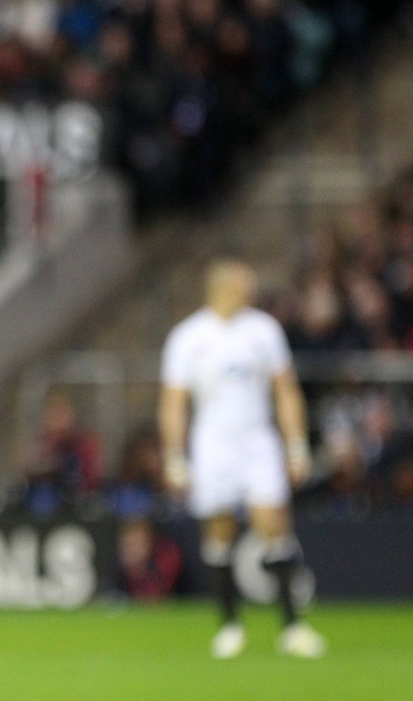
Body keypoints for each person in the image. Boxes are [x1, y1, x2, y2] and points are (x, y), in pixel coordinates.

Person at [157, 258, 326, 659]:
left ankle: (292, 627)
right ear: (222, 288)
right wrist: (175, 455)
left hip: (257, 441)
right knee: (219, 530)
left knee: (273, 522)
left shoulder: (263, 331)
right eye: (243, 285)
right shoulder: (188, 337)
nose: (251, 293)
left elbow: (285, 390)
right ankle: (230, 625)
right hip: (212, 443)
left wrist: (296, 444)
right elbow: (173, 402)